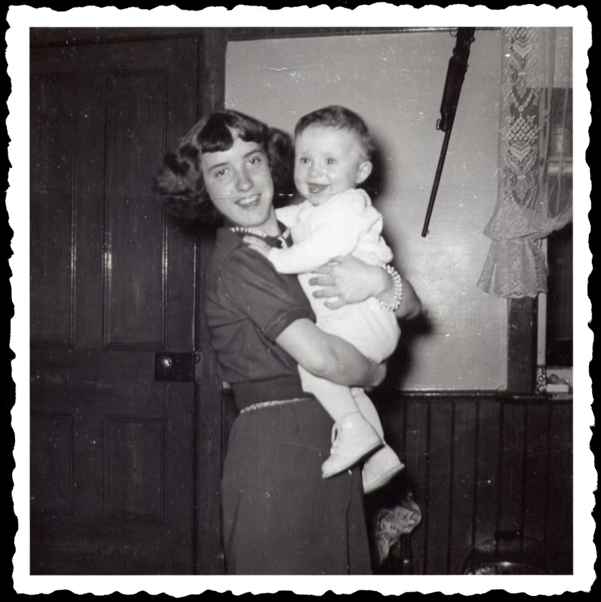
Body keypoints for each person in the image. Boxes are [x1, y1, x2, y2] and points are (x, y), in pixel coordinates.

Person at [156, 109, 421, 575]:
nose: (242, 182)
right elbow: (324, 360)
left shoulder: (302, 229)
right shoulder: (243, 261)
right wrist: (380, 373)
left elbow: (413, 307)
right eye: (222, 171)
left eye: (252, 162)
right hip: (279, 445)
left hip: (335, 436)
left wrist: (379, 282)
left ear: (271, 163)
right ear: (202, 186)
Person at [244, 106, 405, 494]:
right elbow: (287, 217)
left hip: (361, 318)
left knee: (314, 368)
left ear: (360, 174)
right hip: (360, 320)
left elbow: (324, 246)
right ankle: (380, 454)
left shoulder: (348, 207)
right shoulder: (316, 208)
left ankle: (352, 430)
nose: (315, 172)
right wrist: (252, 217)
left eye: (331, 161)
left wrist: (274, 258)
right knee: (348, 389)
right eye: (305, 159)